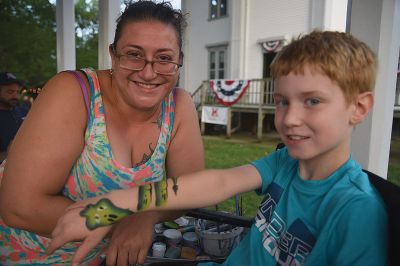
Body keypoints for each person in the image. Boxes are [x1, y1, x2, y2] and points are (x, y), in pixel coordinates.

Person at [47, 30, 388, 266]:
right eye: (282, 102)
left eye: (312, 101)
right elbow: (218, 184)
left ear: (359, 107)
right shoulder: (287, 162)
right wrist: (107, 209)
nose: (290, 119)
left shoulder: (356, 211)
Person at [0, 1, 204, 265]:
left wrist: (147, 215)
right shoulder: (73, 92)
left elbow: (191, 188)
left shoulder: (179, 105)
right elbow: (20, 207)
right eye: (134, 54)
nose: (148, 71)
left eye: (164, 58)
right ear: (113, 54)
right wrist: (122, 219)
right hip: (25, 255)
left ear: (179, 63)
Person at [0, 72, 29, 162]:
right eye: (10, 92)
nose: (15, 96)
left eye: (17, 92)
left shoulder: (24, 111)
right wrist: (10, 153)